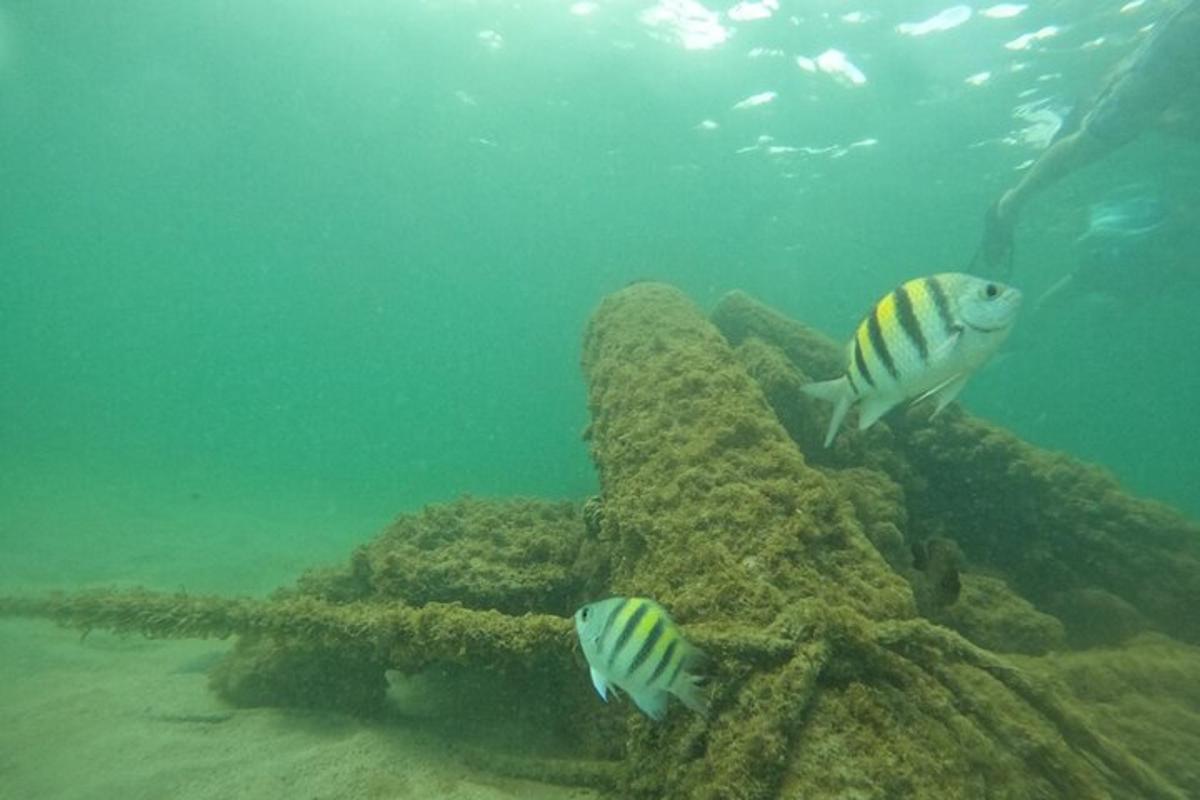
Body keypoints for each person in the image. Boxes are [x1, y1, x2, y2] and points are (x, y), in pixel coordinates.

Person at [974, 0, 1200, 278]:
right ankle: (1010, 203)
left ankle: (1153, 112)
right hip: (1184, 41)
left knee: (1131, 126)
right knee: (1094, 141)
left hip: (1178, 55)